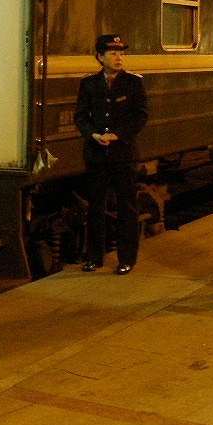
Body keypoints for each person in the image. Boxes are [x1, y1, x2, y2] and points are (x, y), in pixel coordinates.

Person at [74, 34, 149, 274]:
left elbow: (141, 116)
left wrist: (118, 135)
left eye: (122, 53)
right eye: (113, 53)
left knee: (127, 208)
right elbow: (80, 116)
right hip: (96, 154)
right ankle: (95, 257)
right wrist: (92, 135)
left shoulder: (134, 83)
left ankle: (126, 259)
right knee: (95, 208)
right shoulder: (88, 84)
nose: (119, 57)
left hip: (123, 154)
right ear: (100, 56)